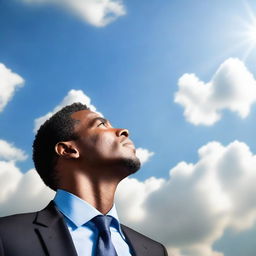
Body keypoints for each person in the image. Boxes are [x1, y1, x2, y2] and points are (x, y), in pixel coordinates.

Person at [0, 103, 168, 256]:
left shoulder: (155, 251)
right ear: (68, 150)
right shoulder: (6, 235)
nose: (124, 131)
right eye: (102, 124)